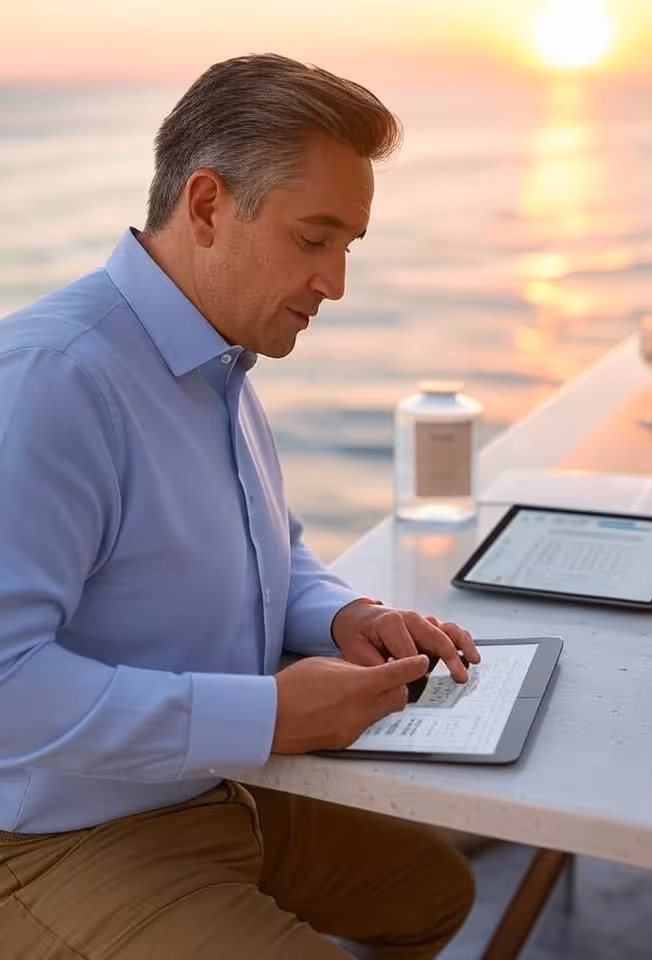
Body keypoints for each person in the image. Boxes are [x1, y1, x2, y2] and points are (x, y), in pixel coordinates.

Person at [0, 54, 480, 959]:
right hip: (48, 839)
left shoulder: (216, 357)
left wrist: (344, 614)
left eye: (348, 246)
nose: (336, 282)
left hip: (208, 783)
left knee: (433, 893)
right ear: (208, 205)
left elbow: (270, 548)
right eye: (313, 240)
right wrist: (266, 717)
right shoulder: (51, 381)